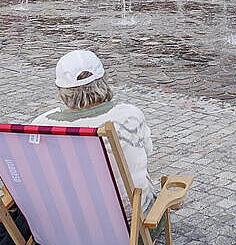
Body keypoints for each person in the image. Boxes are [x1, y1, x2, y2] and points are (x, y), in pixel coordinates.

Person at [33, 50, 156, 211]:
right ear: (103, 81)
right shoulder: (129, 115)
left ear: (62, 91)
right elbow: (148, 151)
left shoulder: (42, 126)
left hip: (68, 216)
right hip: (129, 218)